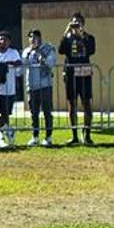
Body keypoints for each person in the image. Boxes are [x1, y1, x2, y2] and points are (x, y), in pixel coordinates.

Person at [58, 13, 96, 146]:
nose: (76, 24)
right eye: (74, 22)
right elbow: (61, 50)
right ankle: (74, 135)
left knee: (87, 104)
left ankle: (87, 134)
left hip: (84, 75)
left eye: (79, 22)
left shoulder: (89, 37)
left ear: (83, 24)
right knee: (72, 104)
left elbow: (91, 50)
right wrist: (67, 31)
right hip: (71, 75)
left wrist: (82, 34)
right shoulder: (67, 38)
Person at [23, 29, 57, 147]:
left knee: (47, 112)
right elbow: (22, 66)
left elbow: (51, 62)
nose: (33, 39)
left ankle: (48, 137)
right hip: (32, 86)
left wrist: (42, 57)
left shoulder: (47, 48)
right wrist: (28, 55)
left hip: (45, 85)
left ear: (40, 38)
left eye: (36, 37)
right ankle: (35, 136)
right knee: (34, 113)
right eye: (31, 37)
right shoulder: (27, 51)